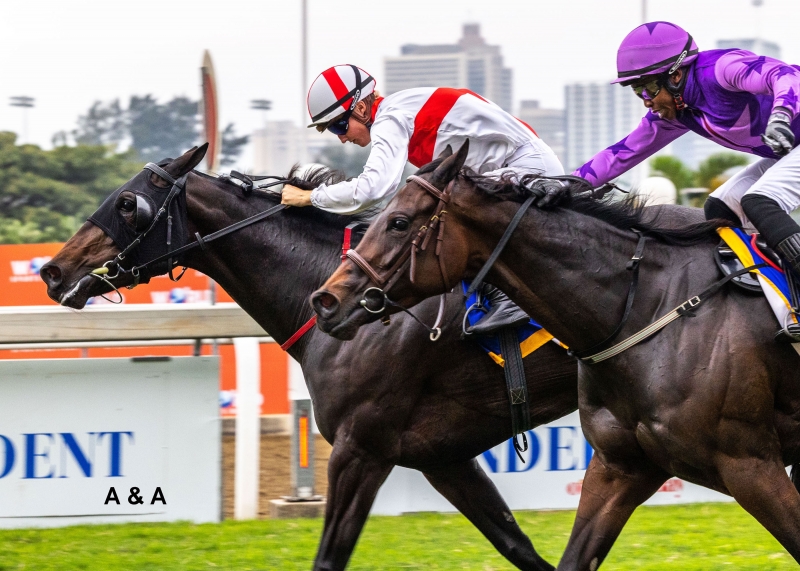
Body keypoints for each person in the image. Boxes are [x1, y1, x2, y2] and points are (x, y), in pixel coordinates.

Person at [282, 64, 566, 333]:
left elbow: (372, 189)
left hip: (526, 168)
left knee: (443, 212)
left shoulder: (390, 119)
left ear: (360, 108)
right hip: (519, 166)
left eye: (338, 127)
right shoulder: (400, 109)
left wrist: (310, 197)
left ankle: (510, 300)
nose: (342, 138)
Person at [575, 21, 800, 280]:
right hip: (792, 150)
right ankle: (770, 293)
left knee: (759, 201)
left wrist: (781, 115)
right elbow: (621, 154)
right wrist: (565, 184)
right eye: (638, 90)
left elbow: (786, 75)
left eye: (649, 87)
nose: (646, 100)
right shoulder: (675, 113)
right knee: (721, 210)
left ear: (675, 75)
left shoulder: (721, 69)